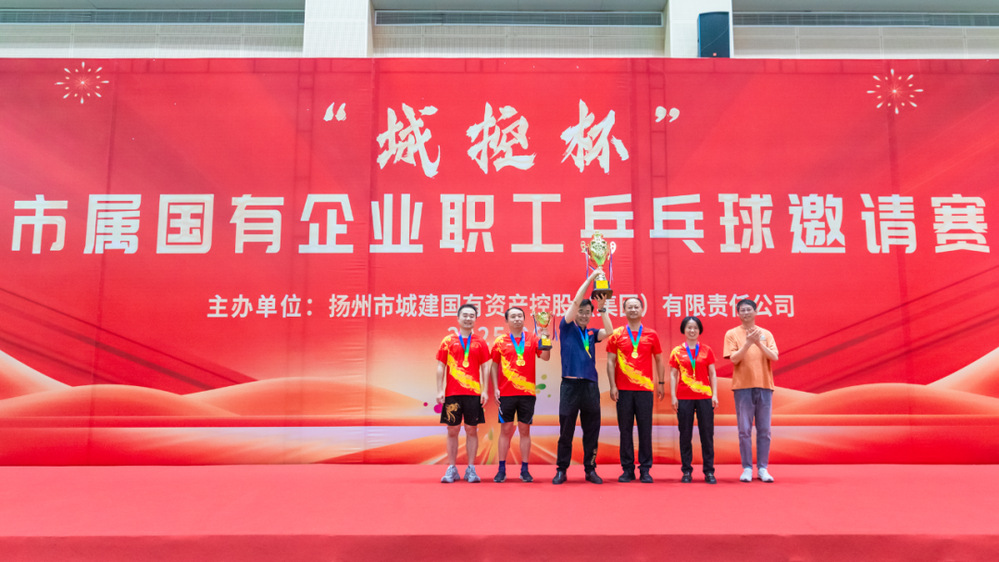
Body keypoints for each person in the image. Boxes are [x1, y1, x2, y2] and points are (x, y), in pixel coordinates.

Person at [553, 268, 613, 485]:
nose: (584, 315)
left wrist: (602, 308)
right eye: (581, 311)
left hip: (590, 387)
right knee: (566, 430)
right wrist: (591, 278)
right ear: (575, 312)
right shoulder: (566, 327)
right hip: (570, 386)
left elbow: (609, 332)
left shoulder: (591, 333)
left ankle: (590, 469)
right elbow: (576, 300)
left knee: (591, 430)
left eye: (588, 312)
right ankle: (561, 470)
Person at [605, 296, 664, 483]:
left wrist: (661, 383)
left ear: (642, 310)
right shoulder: (616, 334)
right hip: (623, 390)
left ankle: (645, 469)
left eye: (636, 306)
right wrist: (612, 385)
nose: (632, 309)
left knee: (645, 430)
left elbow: (659, 359)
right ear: (624, 310)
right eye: (629, 307)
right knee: (625, 430)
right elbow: (610, 361)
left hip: (645, 390)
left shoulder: (651, 334)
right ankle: (627, 469)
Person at [490, 306, 551, 483]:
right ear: (506, 320)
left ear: (524, 319)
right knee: (506, 430)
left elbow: (545, 357)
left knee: (525, 430)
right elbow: (494, 365)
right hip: (506, 393)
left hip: (527, 394)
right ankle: (501, 469)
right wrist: (496, 387)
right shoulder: (500, 341)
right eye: (513, 316)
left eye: (520, 316)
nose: (517, 319)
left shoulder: (533, 338)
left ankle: (524, 469)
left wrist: (546, 337)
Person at [724, 298, 779, 483]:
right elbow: (734, 359)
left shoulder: (766, 333)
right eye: (742, 310)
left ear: (756, 312)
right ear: (738, 313)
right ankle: (747, 467)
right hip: (742, 387)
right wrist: (748, 342)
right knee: (744, 430)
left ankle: (763, 468)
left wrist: (758, 343)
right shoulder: (732, 334)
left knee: (765, 430)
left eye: (749, 309)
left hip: (764, 385)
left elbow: (774, 357)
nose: (746, 313)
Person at [436, 303, 490, 483]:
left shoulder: (480, 342)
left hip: (473, 394)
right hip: (452, 393)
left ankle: (471, 469)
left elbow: (485, 367)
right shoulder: (448, 341)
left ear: (475, 319)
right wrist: (439, 390)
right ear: (458, 318)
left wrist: (484, 390)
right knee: (452, 429)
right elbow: (440, 366)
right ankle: (451, 468)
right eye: (465, 315)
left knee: (471, 429)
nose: (468, 318)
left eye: (471, 316)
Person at [669, 316, 718, 484]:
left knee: (707, 435)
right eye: (689, 327)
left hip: (704, 397)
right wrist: (673, 396)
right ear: (684, 330)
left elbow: (712, 373)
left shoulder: (706, 350)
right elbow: (673, 375)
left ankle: (709, 471)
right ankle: (686, 471)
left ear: (699, 330)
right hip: (684, 397)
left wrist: (714, 394)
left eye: (695, 328)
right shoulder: (677, 351)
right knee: (685, 435)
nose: (692, 330)